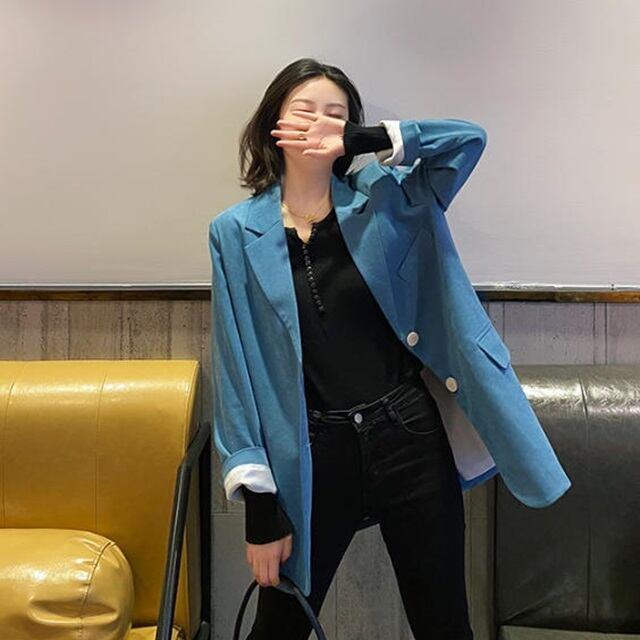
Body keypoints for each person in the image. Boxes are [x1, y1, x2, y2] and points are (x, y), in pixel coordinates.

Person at [210, 57, 482, 640]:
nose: (319, 124)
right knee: (278, 629)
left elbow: (467, 143)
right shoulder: (234, 231)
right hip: (313, 451)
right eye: (304, 111)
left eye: (335, 115)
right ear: (273, 125)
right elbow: (236, 373)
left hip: (409, 436)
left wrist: (367, 139)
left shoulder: (384, 200)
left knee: (444, 624)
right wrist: (260, 509)